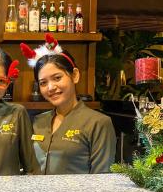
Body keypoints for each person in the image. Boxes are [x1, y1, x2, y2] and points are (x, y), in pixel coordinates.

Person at [20, 34, 116, 174]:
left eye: (57, 78)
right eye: (43, 83)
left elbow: (102, 180)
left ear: (75, 75)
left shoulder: (98, 123)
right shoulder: (38, 121)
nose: (51, 87)